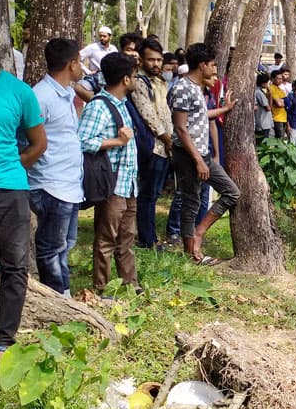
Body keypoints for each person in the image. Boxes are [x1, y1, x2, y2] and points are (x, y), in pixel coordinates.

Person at [0, 18, 47, 362]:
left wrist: (11, 168)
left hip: (11, 189)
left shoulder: (19, 92)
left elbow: (39, 143)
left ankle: (2, 341)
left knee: (17, 267)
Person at [168, 43, 241, 265]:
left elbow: (200, 115)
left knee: (231, 193)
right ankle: (191, 253)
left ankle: (199, 233)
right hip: (190, 156)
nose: (215, 70)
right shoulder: (182, 88)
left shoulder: (195, 88)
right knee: (191, 201)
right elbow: (181, 128)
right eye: (213, 65)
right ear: (202, 66)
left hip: (202, 153)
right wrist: (198, 160)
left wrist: (224, 110)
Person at [77, 52, 140, 295]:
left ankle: (130, 285)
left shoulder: (121, 105)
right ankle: (100, 289)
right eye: (134, 76)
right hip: (112, 184)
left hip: (128, 183)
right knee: (106, 239)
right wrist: (117, 141)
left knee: (127, 238)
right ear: (125, 79)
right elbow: (82, 141)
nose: (135, 80)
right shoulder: (99, 107)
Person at [28, 38, 83, 297]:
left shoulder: (68, 93)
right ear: (71, 65)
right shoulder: (41, 97)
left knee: (66, 244)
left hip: (70, 184)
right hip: (50, 185)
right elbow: (24, 139)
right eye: (80, 61)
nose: (82, 67)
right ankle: (58, 297)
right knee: (51, 247)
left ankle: (64, 294)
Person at [130, 38, 175, 250]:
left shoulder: (160, 81)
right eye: (151, 60)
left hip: (165, 145)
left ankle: (150, 236)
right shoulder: (139, 82)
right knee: (147, 194)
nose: (156, 64)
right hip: (153, 146)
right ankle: (148, 240)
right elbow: (148, 115)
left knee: (154, 194)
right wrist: (166, 138)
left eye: (159, 60)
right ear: (141, 60)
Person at [268, 69, 288, 139]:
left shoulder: (280, 89)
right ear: (273, 79)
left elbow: (287, 102)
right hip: (277, 118)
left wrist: (284, 102)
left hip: (284, 117)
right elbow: (279, 104)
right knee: (280, 140)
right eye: (278, 79)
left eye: (281, 79)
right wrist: (283, 102)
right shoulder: (272, 89)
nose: (280, 80)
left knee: (283, 139)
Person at [254, 72, 272, 141]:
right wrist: (270, 95)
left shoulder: (259, 91)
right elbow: (268, 108)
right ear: (263, 83)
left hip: (262, 122)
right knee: (263, 142)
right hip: (263, 123)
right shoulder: (259, 93)